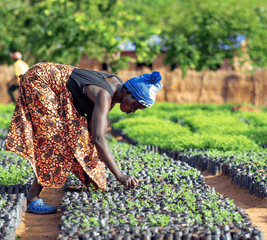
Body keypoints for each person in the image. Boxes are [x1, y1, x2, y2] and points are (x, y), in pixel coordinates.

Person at [5, 62, 163, 214]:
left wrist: (92, 171)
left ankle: (85, 179)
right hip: (41, 80)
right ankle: (32, 198)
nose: (133, 110)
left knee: (77, 138)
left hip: (51, 84)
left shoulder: (116, 85)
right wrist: (120, 176)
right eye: (135, 106)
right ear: (128, 93)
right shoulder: (105, 95)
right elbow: (99, 138)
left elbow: (91, 130)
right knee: (56, 140)